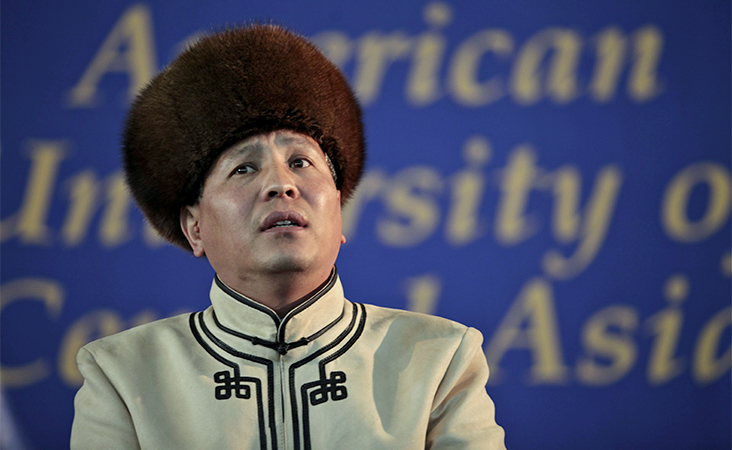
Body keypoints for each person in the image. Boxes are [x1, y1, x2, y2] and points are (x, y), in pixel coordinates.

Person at [70, 24, 506, 450]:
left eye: (301, 162)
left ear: (338, 211)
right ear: (194, 227)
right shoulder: (123, 376)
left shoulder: (438, 360)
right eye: (244, 168)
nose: (281, 184)